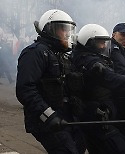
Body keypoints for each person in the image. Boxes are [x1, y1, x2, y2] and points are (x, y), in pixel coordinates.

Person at [72, 23, 125, 154]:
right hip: (96, 115)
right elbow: (114, 78)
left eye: (104, 43)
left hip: (102, 113)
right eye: (99, 43)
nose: (103, 46)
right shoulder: (91, 61)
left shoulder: (107, 56)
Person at [16, 9, 86, 154]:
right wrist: (48, 115)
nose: (67, 33)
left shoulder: (62, 55)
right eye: (62, 28)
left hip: (66, 116)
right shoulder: (35, 52)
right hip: (47, 120)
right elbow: (25, 89)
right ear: (50, 29)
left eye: (68, 29)